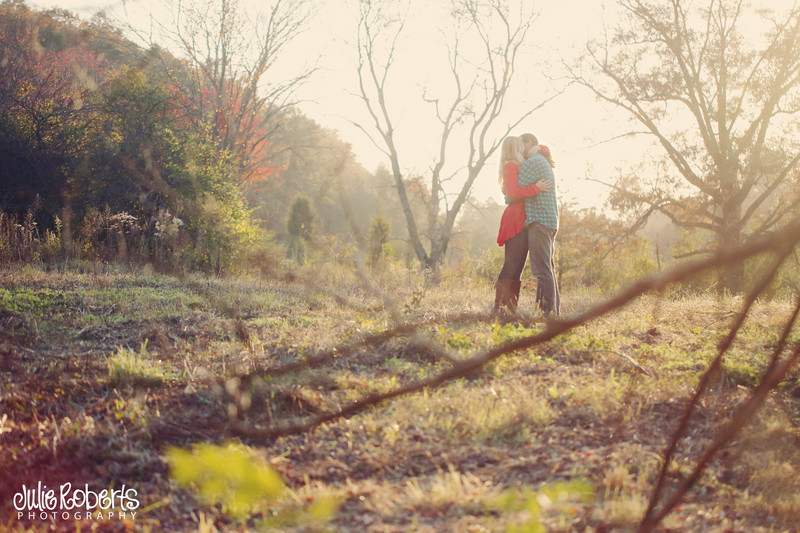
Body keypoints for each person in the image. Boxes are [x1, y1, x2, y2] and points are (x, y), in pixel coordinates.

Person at [493, 136, 551, 317]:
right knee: (511, 266)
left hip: (522, 222)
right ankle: (499, 307)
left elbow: (547, 151)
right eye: (521, 147)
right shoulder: (511, 165)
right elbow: (513, 192)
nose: (524, 150)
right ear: (515, 148)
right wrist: (536, 188)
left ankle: (510, 308)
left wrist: (539, 148)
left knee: (517, 268)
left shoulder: (521, 164)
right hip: (515, 221)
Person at [518, 132, 560, 316]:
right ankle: (552, 311)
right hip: (549, 221)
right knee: (548, 269)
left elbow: (514, 187)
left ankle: (545, 313)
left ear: (529, 144)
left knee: (542, 270)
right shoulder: (542, 160)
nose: (520, 149)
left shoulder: (533, 162)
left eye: (522, 145)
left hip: (539, 222)